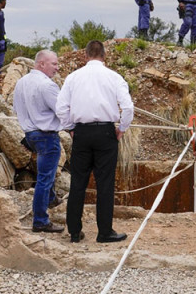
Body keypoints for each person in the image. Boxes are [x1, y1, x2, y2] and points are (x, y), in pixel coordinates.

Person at [56, 40, 134, 243]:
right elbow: (128, 108)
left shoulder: (73, 78)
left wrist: (71, 128)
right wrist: (121, 129)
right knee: (105, 184)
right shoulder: (114, 77)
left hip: (81, 133)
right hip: (106, 133)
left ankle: (74, 231)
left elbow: (61, 108)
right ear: (104, 55)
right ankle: (104, 232)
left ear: (85, 55)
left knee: (78, 183)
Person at [13, 50, 64, 233]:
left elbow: (15, 108)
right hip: (46, 136)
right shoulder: (47, 85)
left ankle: (51, 199)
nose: (57, 68)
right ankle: (40, 220)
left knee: (44, 174)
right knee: (44, 178)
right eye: (54, 64)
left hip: (30, 135)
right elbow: (62, 111)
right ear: (41, 64)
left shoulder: (21, 82)